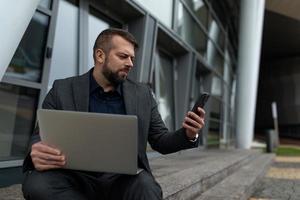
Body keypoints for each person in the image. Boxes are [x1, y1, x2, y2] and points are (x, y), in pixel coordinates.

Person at [22, 28, 206, 200]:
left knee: (147, 189)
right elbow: (40, 135)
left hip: (124, 179)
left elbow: (160, 140)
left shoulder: (142, 94)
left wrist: (188, 134)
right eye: (123, 56)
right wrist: (36, 150)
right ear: (100, 55)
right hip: (73, 177)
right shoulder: (62, 89)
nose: (130, 63)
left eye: (132, 58)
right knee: (36, 184)